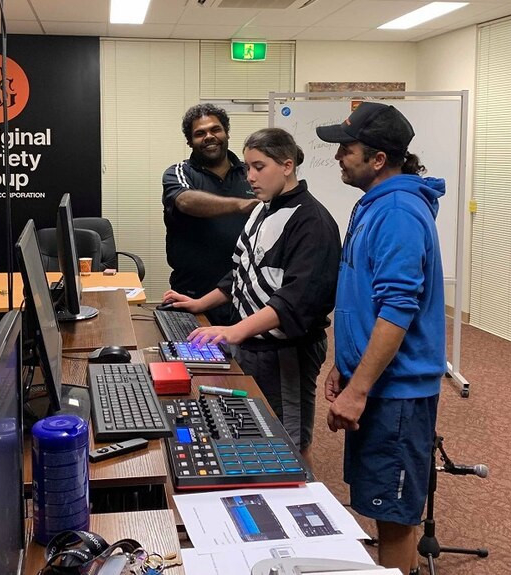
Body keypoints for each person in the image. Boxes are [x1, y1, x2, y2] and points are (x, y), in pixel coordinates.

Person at [316, 102, 446, 575]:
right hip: (377, 382)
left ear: (377, 159)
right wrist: (345, 363)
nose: (338, 157)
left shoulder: (396, 212)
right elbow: (365, 302)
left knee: (393, 515)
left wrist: (359, 388)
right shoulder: (374, 204)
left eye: (346, 149)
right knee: (380, 504)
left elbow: (397, 309)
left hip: (396, 393)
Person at [161, 128, 341, 460]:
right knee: (257, 429)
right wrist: (201, 303)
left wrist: (234, 331)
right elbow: (241, 271)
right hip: (253, 345)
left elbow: (296, 300)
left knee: (289, 441)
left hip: (286, 351)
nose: (250, 176)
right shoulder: (261, 208)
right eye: (247, 167)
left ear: (287, 166)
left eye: (259, 167)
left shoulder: (311, 222)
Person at [162, 103, 259, 326]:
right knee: (193, 357)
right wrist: (241, 205)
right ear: (190, 141)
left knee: (242, 359)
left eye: (215, 129)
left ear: (226, 133)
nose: (209, 136)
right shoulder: (179, 172)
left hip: (244, 292)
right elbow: (185, 201)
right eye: (200, 133)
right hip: (192, 293)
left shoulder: (251, 172)